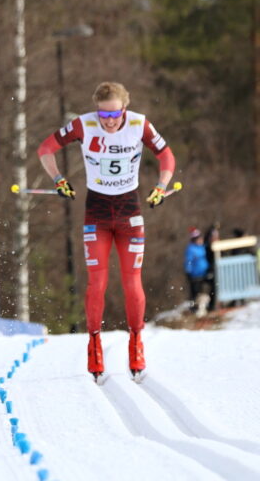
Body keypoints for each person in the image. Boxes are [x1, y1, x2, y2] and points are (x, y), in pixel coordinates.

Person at [37, 81, 175, 382]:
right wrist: (59, 180)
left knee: (131, 283)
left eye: (114, 115)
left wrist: (161, 187)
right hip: (96, 213)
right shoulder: (83, 124)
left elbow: (167, 156)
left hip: (130, 213)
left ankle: (136, 343)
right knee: (96, 284)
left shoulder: (139, 124)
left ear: (125, 108)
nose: (109, 121)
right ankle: (94, 345)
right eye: (104, 115)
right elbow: (45, 149)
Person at [184, 227, 209, 315]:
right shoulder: (191, 249)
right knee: (194, 292)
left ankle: (202, 307)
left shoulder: (202, 247)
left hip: (203, 273)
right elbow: (188, 261)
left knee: (202, 292)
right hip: (195, 274)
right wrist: (188, 271)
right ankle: (193, 308)